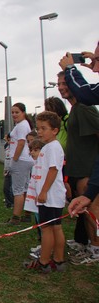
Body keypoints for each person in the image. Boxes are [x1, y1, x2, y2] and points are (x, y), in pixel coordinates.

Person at [57, 67, 99, 264]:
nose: (61, 88)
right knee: (85, 212)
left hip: (87, 170)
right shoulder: (75, 109)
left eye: (65, 83)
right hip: (77, 170)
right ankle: (86, 243)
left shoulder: (84, 108)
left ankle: (96, 248)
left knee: (92, 211)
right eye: (59, 84)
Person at [22, 111, 67, 273]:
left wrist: (43, 192)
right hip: (54, 196)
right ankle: (59, 260)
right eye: (38, 128)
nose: (39, 132)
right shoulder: (51, 147)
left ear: (55, 130)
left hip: (49, 196)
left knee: (47, 228)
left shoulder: (52, 148)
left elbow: (53, 170)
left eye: (43, 128)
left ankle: (44, 261)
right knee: (56, 227)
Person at [4, 103, 34, 226]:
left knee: (18, 190)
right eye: (12, 112)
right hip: (25, 160)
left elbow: (21, 143)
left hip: (20, 160)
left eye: (17, 112)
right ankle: (27, 214)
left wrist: (15, 159)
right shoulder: (23, 125)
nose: (14, 115)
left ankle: (15, 218)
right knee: (25, 188)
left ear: (23, 112)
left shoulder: (22, 126)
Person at [24, 138, 44, 260]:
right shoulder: (35, 164)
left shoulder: (43, 165)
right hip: (36, 202)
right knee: (40, 224)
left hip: (42, 201)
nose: (32, 153)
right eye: (31, 150)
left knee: (45, 225)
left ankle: (46, 248)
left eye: (36, 150)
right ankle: (43, 245)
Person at [3, 135, 14, 209]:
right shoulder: (7, 147)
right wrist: (5, 170)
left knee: (12, 188)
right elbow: (6, 160)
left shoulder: (15, 148)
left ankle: (12, 203)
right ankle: (9, 202)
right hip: (8, 170)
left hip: (13, 170)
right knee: (6, 188)